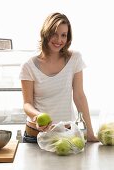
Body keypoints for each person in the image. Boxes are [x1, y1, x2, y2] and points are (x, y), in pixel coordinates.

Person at [19, 12, 98, 143]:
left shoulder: (75, 58)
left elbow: (79, 96)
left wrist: (89, 132)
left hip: (67, 133)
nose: (59, 40)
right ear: (45, 33)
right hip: (36, 135)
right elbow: (27, 104)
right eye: (54, 34)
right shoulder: (28, 65)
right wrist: (38, 116)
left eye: (63, 35)